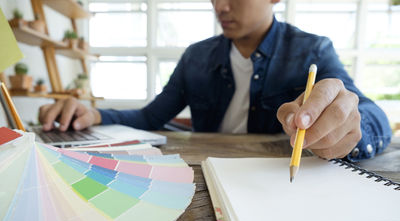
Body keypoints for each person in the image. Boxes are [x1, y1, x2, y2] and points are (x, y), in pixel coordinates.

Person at [39, 0, 392, 161]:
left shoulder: (311, 50)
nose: (219, 6)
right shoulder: (196, 56)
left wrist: (348, 126)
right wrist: (95, 115)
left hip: (273, 178)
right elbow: (150, 118)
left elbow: (370, 115)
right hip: (204, 171)